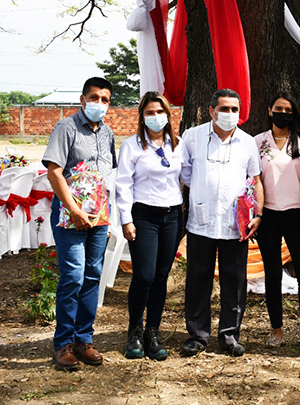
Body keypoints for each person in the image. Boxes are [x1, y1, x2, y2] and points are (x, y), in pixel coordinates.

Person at [179, 89, 264, 358]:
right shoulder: (192, 137)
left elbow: (256, 180)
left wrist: (258, 215)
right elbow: (185, 174)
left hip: (235, 224)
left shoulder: (247, 142)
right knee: (197, 279)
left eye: (234, 110)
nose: (229, 114)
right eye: (224, 109)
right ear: (211, 110)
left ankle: (229, 335)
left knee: (235, 282)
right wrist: (206, 193)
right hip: (201, 222)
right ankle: (197, 335)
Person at [42, 77, 115, 370]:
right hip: (69, 215)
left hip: (99, 216)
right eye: (94, 97)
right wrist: (73, 209)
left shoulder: (108, 133)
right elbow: (55, 173)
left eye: (105, 99)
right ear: (83, 99)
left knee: (93, 276)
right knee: (73, 276)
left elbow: (108, 174)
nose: (99, 103)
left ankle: (84, 339)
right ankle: (63, 344)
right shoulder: (66, 128)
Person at [115, 91, 183, 361]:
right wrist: (126, 219)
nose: (156, 117)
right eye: (150, 113)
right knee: (144, 275)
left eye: (160, 112)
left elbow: (187, 175)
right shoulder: (132, 146)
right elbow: (123, 183)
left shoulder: (177, 144)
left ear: (168, 115)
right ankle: (134, 331)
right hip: (143, 215)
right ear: (142, 117)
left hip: (172, 216)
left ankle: (152, 332)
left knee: (161, 276)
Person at [254, 91, 300, 348]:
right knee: (272, 273)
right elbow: (254, 179)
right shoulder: (258, 141)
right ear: (270, 110)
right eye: (279, 108)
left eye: (288, 110)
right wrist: (256, 213)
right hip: (268, 215)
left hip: (298, 214)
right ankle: (277, 330)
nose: (283, 113)